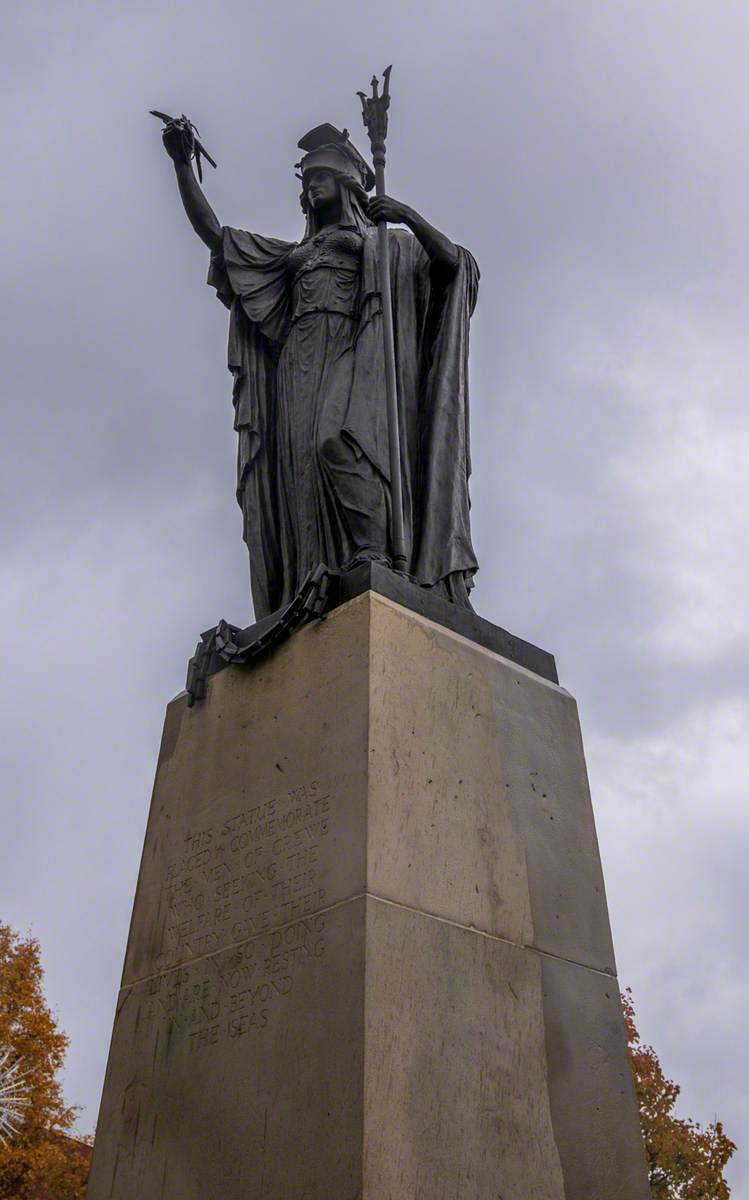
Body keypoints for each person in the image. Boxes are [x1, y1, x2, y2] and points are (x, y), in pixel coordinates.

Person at [161, 119, 479, 619]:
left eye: (320, 174)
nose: (310, 185)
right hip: (297, 359)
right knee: (300, 470)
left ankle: (372, 550)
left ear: (346, 179)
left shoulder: (383, 241)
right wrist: (183, 167)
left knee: (340, 440)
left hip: (359, 345)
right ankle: (315, 571)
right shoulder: (294, 254)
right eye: (305, 178)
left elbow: (455, 266)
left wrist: (408, 216)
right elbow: (217, 239)